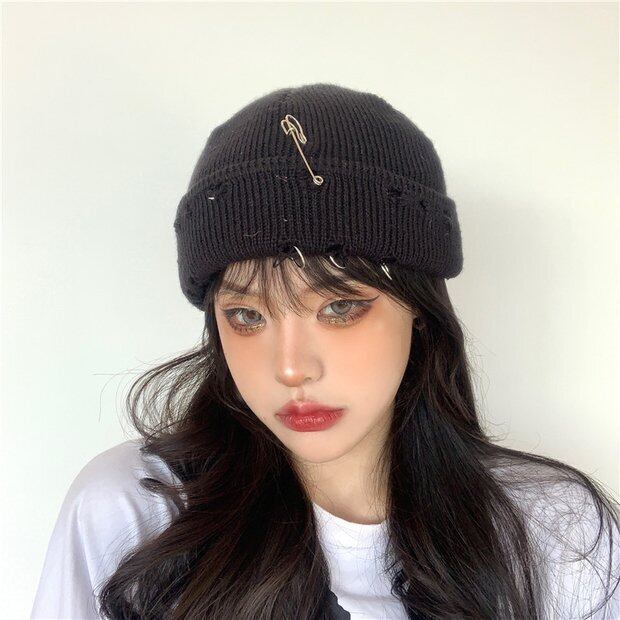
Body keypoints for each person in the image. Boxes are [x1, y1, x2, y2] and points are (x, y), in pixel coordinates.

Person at [31, 83, 620, 619]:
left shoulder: (556, 533)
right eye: (247, 316)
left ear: (417, 306)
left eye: (339, 308)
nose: (291, 368)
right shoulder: (134, 512)